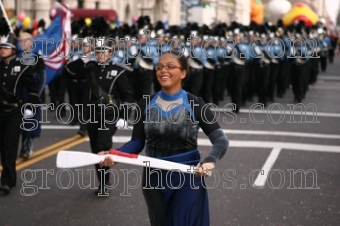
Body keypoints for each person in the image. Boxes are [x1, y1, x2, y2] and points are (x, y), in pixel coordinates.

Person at [98, 51, 229, 226]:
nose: (163, 71)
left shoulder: (195, 103)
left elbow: (221, 140)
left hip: (187, 176)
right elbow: (137, 142)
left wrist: (210, 160)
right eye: (159, 67)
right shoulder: (144, 103)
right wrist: (115, 154)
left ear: (183, 73)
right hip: (153, 177)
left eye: (170, 66)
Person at [86, 37, 134, 195]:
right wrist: (81, 60)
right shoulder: (90, 68)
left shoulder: (118, 71)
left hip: (110, 114)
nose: (100, 54)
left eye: (103, 51)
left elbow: (127, 96)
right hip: (93, 113)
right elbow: (68, 74)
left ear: (110, 52)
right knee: (95, 149)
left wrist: (124, 116)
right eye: (97, 51)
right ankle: (102, 181)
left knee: (102, 147)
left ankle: (105, 184)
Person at [0, 32, 40, 194]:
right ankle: (10, 177)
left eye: (6, 47)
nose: (2, 50)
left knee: (10, 146)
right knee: (2, 146)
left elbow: (33, 90)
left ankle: (7, 180)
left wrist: (30, 107)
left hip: (15, 111)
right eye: (1, 47)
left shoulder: (23, 66)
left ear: (13, 50)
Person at [17, 32, 46, 159]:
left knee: (30, 122)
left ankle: (27, 147)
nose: (22, 43)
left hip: (32, 93)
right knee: (19, 121)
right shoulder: (15, 57)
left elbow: (43, 77)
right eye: (20, 40)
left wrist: (37, 95)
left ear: (31, 43)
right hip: (19, 93)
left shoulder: (37, 58)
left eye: (25, 40)